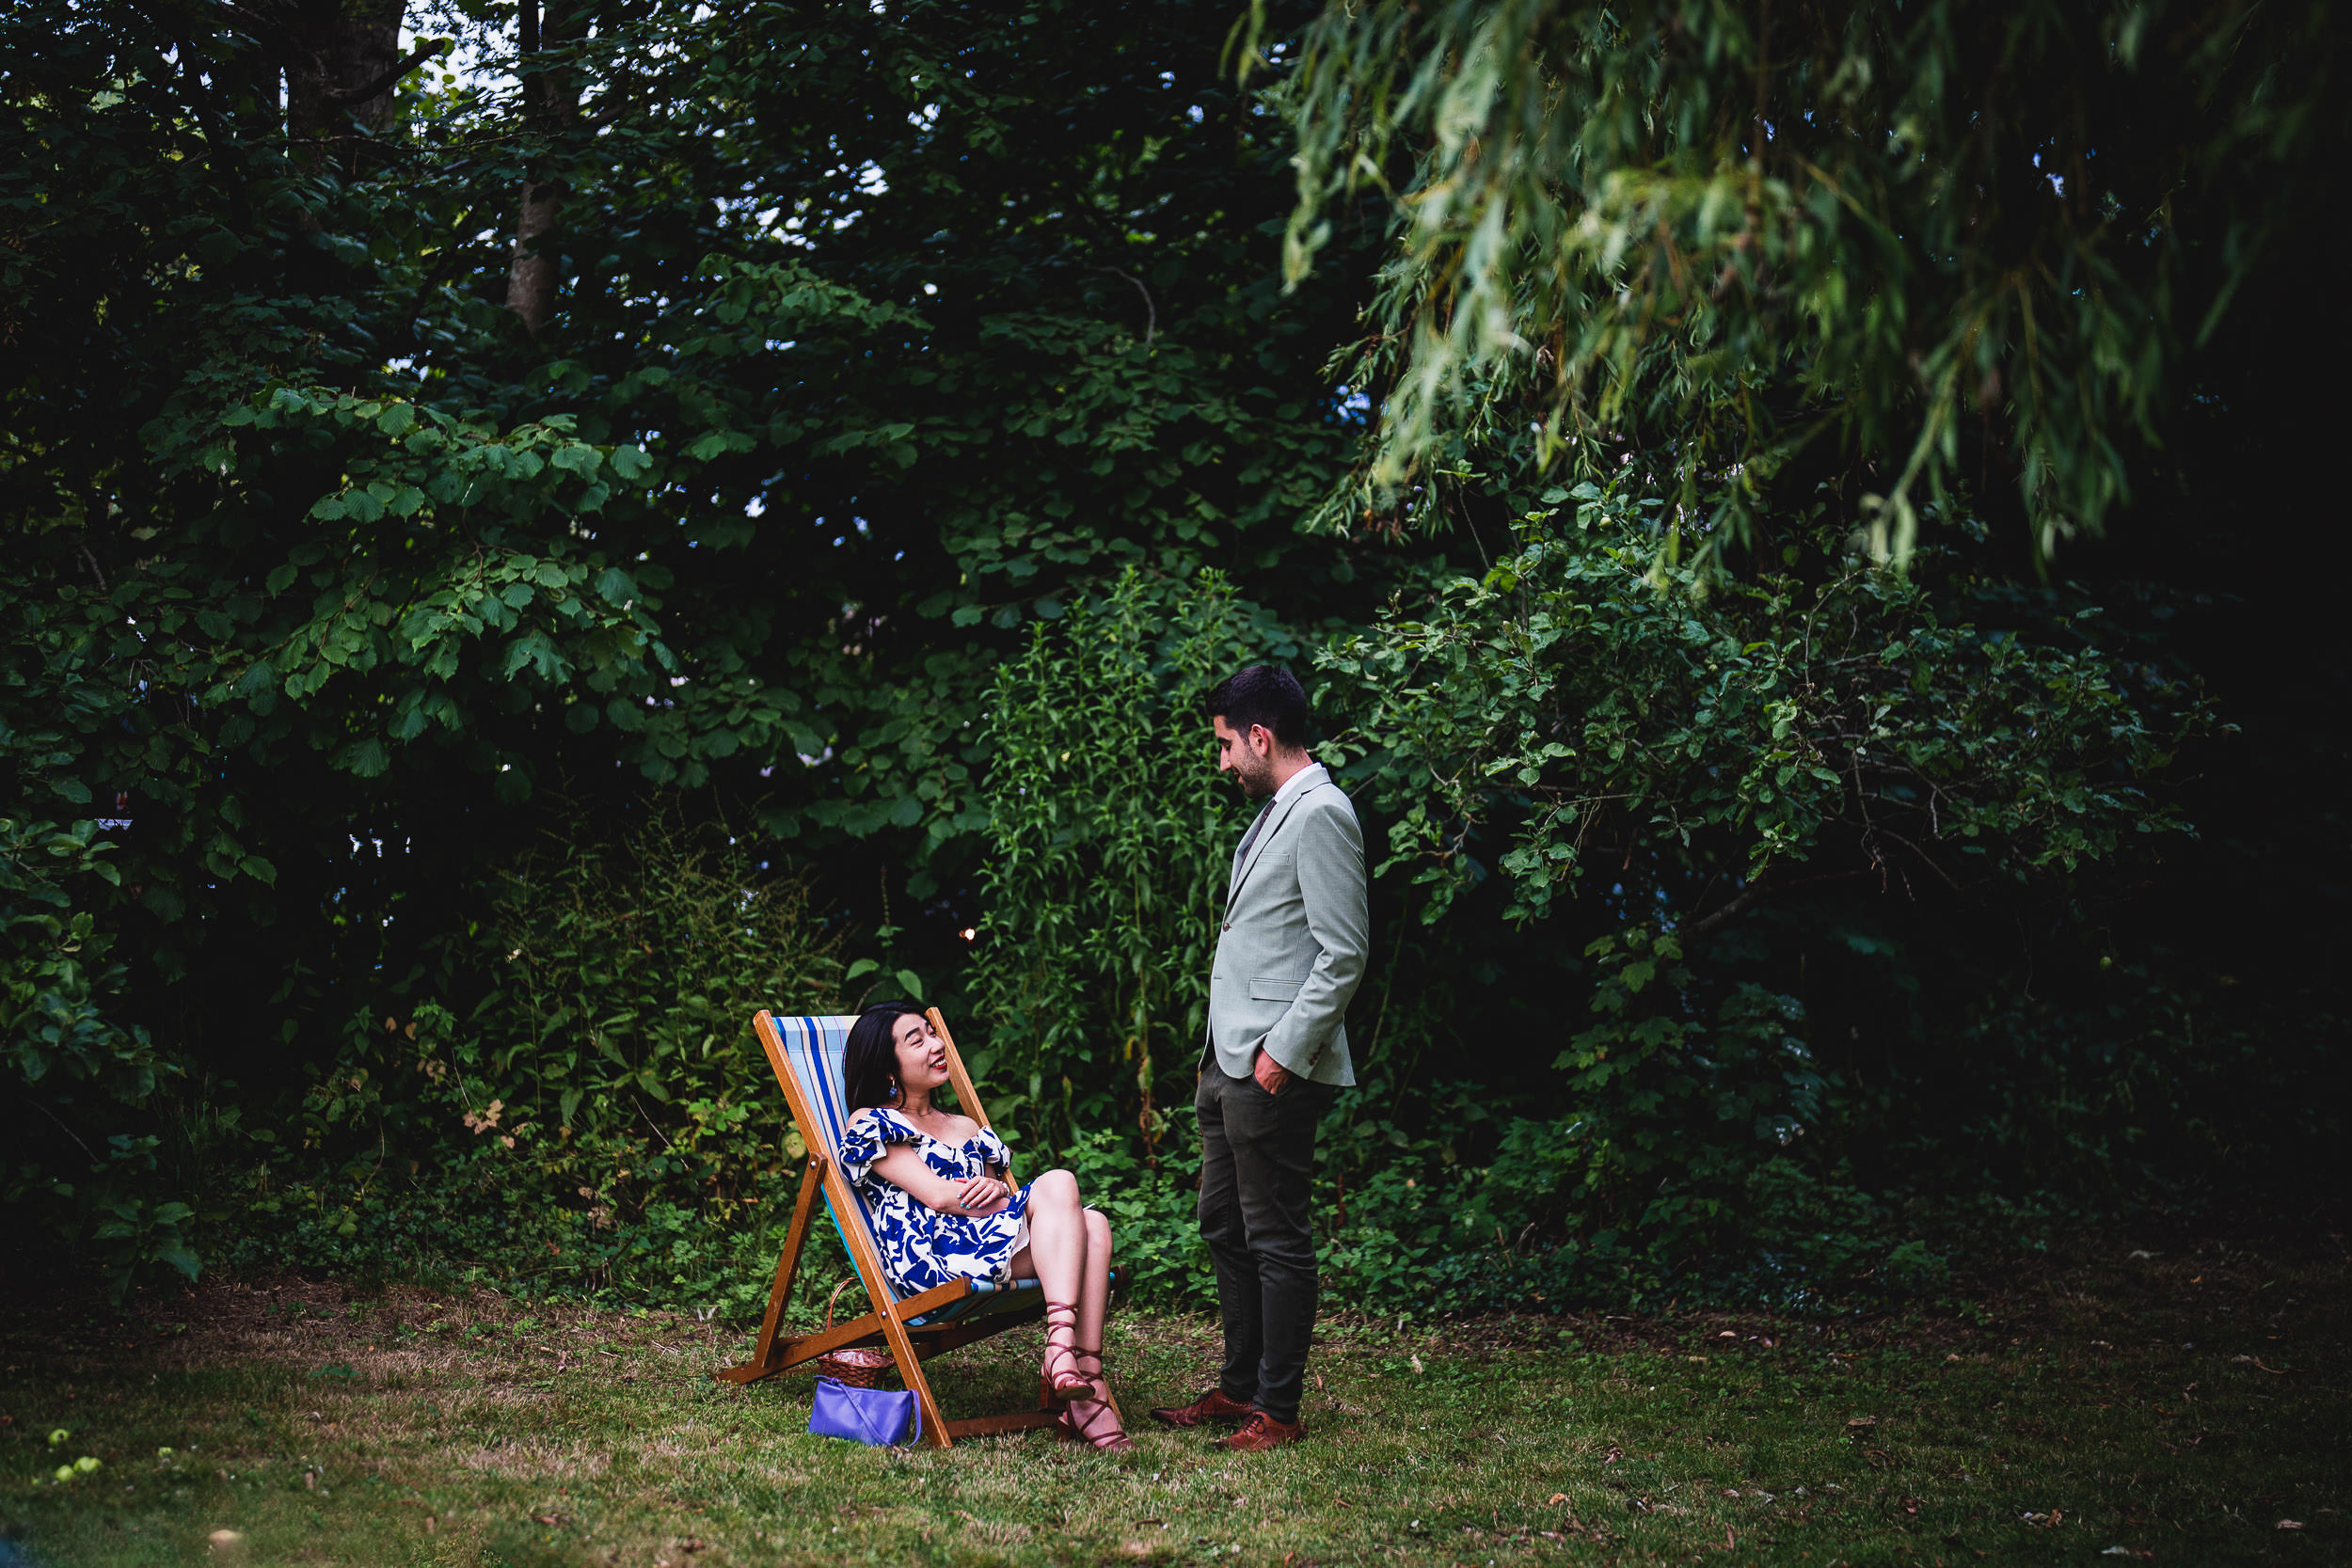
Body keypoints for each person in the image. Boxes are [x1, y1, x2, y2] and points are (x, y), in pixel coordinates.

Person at [1150, 664, 1369, 1451]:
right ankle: (1238, 1386)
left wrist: (1283, 1049)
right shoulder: (1283, 808)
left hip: (1274, 1063)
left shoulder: (1321, 813)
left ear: (1261, 737)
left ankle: (1277, 1408)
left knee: (1274, 1234)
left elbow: (1344, 954)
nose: (1223, 763)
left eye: (1225, 746)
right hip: (1227, 1059)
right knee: (1223, 1222)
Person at [835, 1001, 1132, 1450]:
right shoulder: (874, 1123)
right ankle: (1073, 1368)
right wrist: (988, 1197)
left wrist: (994, 1194)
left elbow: (994, 1202)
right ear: (888, 1068)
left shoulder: (966, 1125)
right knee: (1062, 1186)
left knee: (1094, 1222)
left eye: (933, 1033)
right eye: (917, 1040)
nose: (937, 1045)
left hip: (986, 1244)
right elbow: (937, 1195)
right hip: (934, 1258)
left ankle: (1075, 1367)